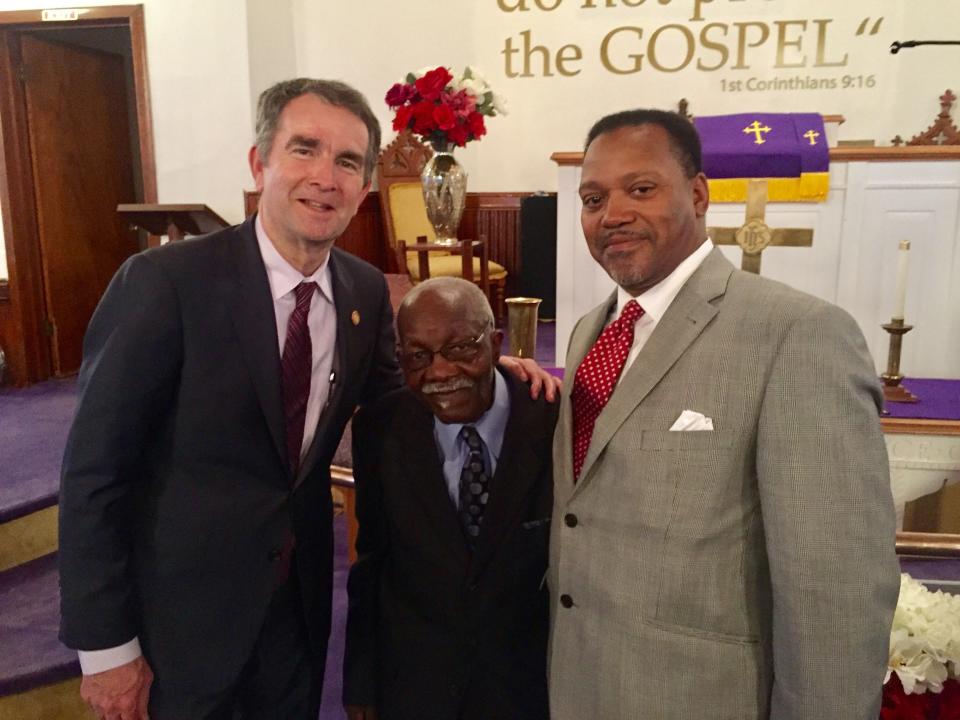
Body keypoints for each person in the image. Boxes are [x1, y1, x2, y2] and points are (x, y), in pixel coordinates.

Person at [58, 78, 556, 720]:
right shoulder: (165, 284)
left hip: (297, 617)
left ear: (364, 186)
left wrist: (492, 367)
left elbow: (400, 402)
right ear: (259, 163)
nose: (326, 176)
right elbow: (95, 471)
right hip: (179, 624)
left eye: (348, 161)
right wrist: (105, 648)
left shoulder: (364, 291)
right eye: (305, 149)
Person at [547, 109, 900, 719]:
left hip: (699, 697)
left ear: (700, 194)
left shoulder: (798, 334)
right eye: (592, 197)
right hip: (579, 685)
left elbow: (835, 591)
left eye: (641, 189)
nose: (613, 214)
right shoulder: (589, 331)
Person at [343, 277, 555, 720]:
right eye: (418, 356)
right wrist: (361, 679)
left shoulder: (556, 420)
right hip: (420, 685)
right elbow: (373, 560)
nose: (439, 372)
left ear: (496, 344)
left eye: (461, 349)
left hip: (531, 685)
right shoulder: (380, 430)